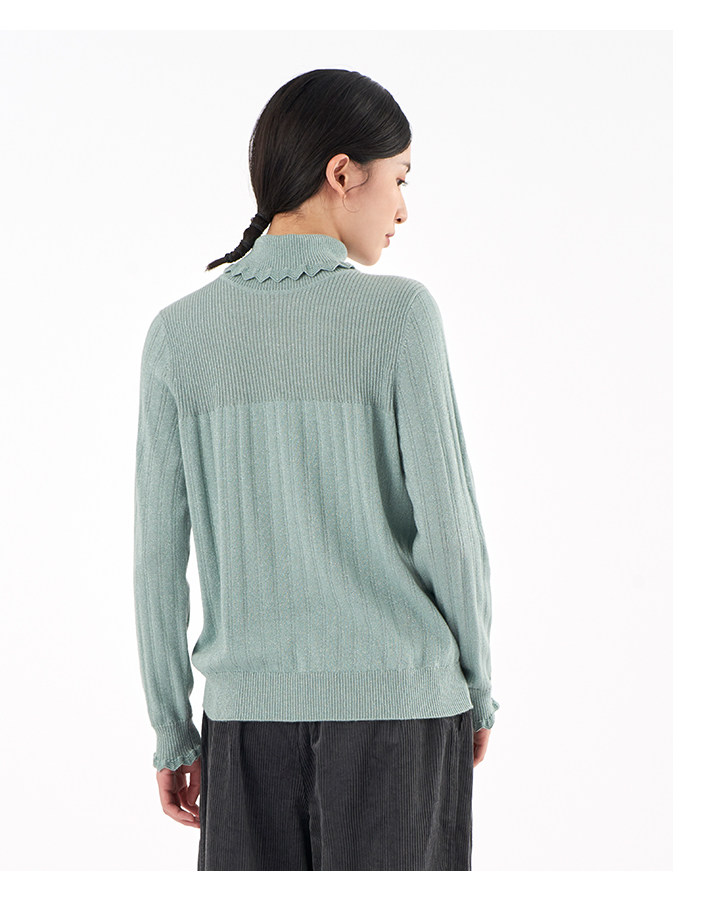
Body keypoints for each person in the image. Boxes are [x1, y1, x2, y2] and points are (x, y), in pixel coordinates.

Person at [134, 68, 499, 871]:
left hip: (244, 726)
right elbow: (452, 532)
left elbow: (156, 559)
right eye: (400, 179)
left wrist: (172, 728)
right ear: (343, 174)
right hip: (404, 712)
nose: (402, 208)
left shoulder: (178, 336)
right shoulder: (400, 316)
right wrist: (477, 686)